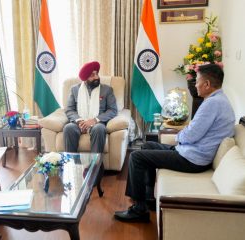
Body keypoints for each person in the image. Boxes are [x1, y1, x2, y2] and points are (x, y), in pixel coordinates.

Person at [114, 64, 236, 223]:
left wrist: (178, 137)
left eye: (197, 81)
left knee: (136, 157)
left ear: (207, 84)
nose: (195, 85)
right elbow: (194, 130)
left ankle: (139, 210)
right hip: (192, 152)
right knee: (147, 146)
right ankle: (147, 197)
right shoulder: (219, 100)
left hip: (192, 159)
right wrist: (182, 137)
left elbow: (191, 134)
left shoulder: (212, 104)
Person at [64, 61, 117, 153]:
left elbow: (112, 110)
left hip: (97, 123)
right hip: (79, 122)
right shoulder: (74, 90)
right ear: (85, 78)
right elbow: (69, 109)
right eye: (92, 75)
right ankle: (73, 164)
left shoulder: (107, 89)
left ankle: (95, 165)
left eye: (97, 74)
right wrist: (80, 121)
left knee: (99, 129)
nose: (96, 77)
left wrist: (94, 120)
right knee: (68, 128)